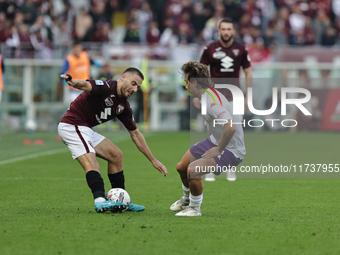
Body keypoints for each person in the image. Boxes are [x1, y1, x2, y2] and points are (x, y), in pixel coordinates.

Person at [58, 68, 168, 213]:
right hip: (72, 125)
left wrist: (153, 160)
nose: (135, 89)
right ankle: (100, 201)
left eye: (138, 87)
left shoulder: (124, 106)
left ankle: (121, 201)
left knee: (116, 155)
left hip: (85, 129)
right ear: (123, 78)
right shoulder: (106, 86)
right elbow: (86, 85)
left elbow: (135, 134)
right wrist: (73, 81)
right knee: (92, 163)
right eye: (133, 83)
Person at [170, 61, 246, 216]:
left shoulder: (211, 101)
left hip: (232, 150)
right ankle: (186, 199)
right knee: (182, 167)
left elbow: (231, 127)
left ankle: (195, 209)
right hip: (215, 140)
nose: (186, 86)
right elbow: (214, 126)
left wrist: (218, 150)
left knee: (193, 170)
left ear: (196, 82)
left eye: (187, 82)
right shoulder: (206, 96)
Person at [200, 17, 252, 181]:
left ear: (233, 31)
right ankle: (209, 167)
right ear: (219, 31)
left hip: (235, 96)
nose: (226, 32)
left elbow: (248, 72)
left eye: (229, 29)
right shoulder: (210, 48)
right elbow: (201, 71)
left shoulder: (241, 49)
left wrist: (248, 96)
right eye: (224, 29)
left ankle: (230, 167)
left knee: (236, 132)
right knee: (213, 132)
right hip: (214, 96)